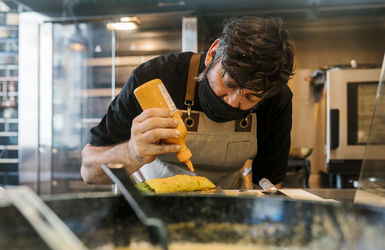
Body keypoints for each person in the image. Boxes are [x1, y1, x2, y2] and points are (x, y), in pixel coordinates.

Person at [81, 16, 294, 189]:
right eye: (228, 83)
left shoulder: (277, 99)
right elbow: (89, 171)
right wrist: (131, 152)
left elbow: (269, 184)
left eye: (251, 97)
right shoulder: (154, 78)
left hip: (223, 212)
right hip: (147, 210)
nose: (232, 101)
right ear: (212, 53)